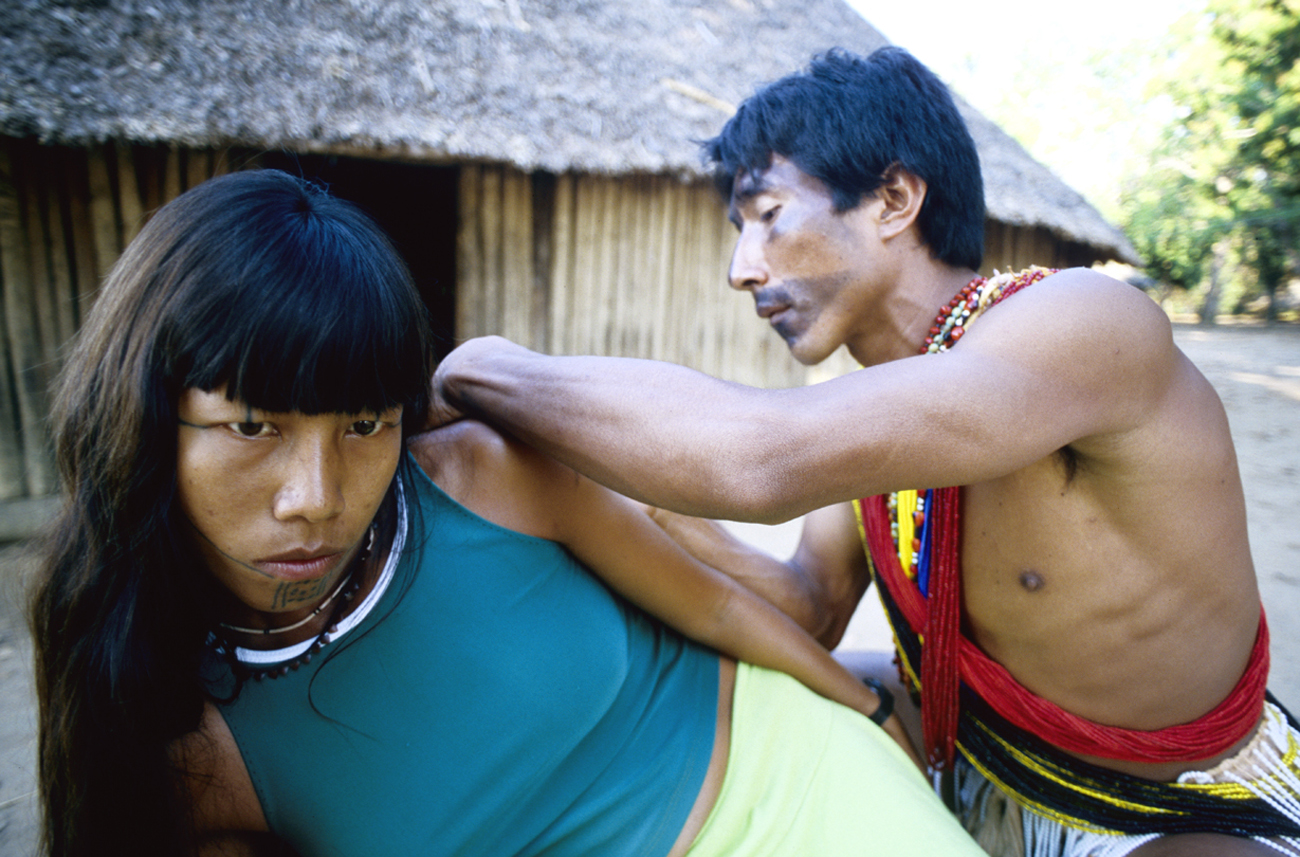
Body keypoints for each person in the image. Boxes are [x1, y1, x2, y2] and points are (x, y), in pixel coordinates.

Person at [430, 48, 1300, 857]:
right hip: (976, 764)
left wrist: (478, 365)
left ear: (894, 200)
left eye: (768, 217)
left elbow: (755, 460)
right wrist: (632, 500)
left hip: (1177, 803)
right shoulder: (867, 413)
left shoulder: (1079, 323)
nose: (741, 267)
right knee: (709, 684)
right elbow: (808, 606)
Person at [27, 168, 985, 857]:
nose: (314, 497)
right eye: (251, 427)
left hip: (787, 771)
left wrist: (861, 709)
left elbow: (722, 607)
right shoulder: (163, 726)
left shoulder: (481, 475)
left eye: (363, 424)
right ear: (149, 419)